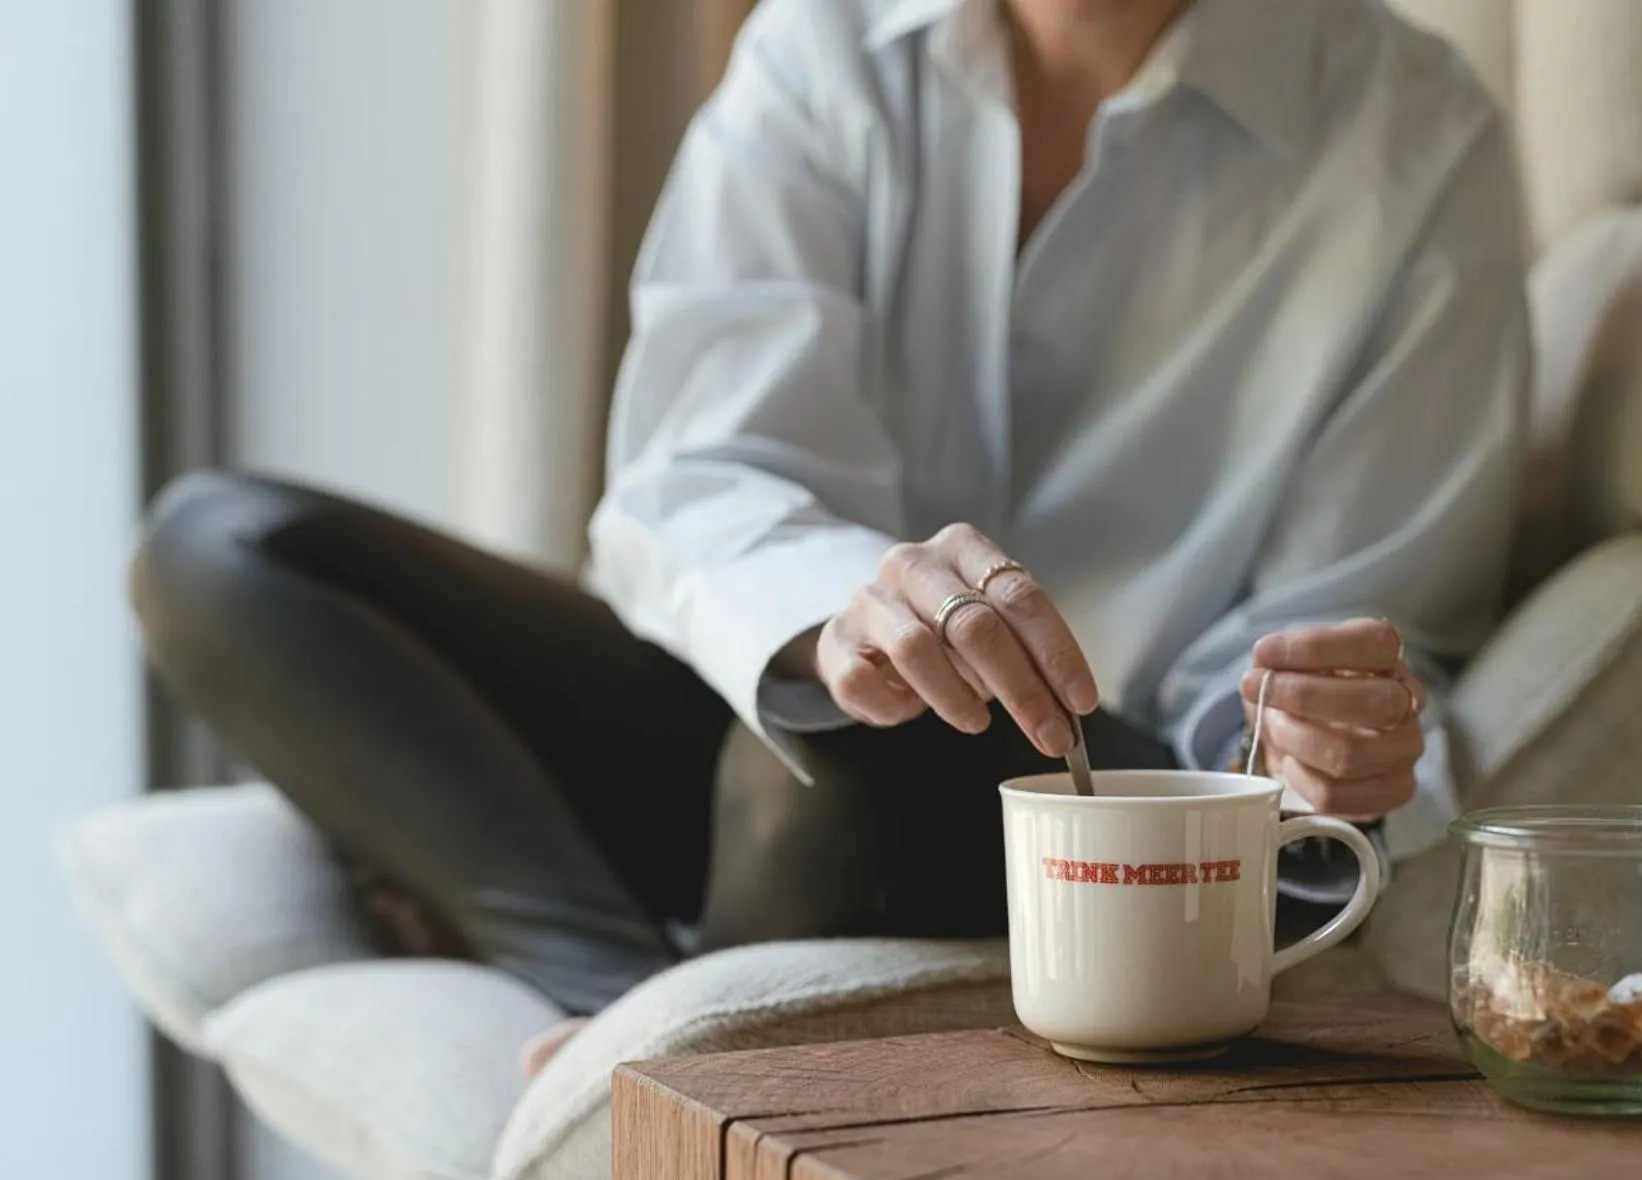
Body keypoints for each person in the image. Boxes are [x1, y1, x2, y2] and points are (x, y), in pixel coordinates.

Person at [129, 0, 1530, 1073]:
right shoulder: (827, 45)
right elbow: (695, 471)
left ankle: (644, 1013)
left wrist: (1304, 746)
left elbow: (1341, 627)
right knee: (220, 548)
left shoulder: (1416, 137)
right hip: (758, 700)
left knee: (855, 742)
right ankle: (619, 1004)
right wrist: (840, 617)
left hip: (1083, 794)